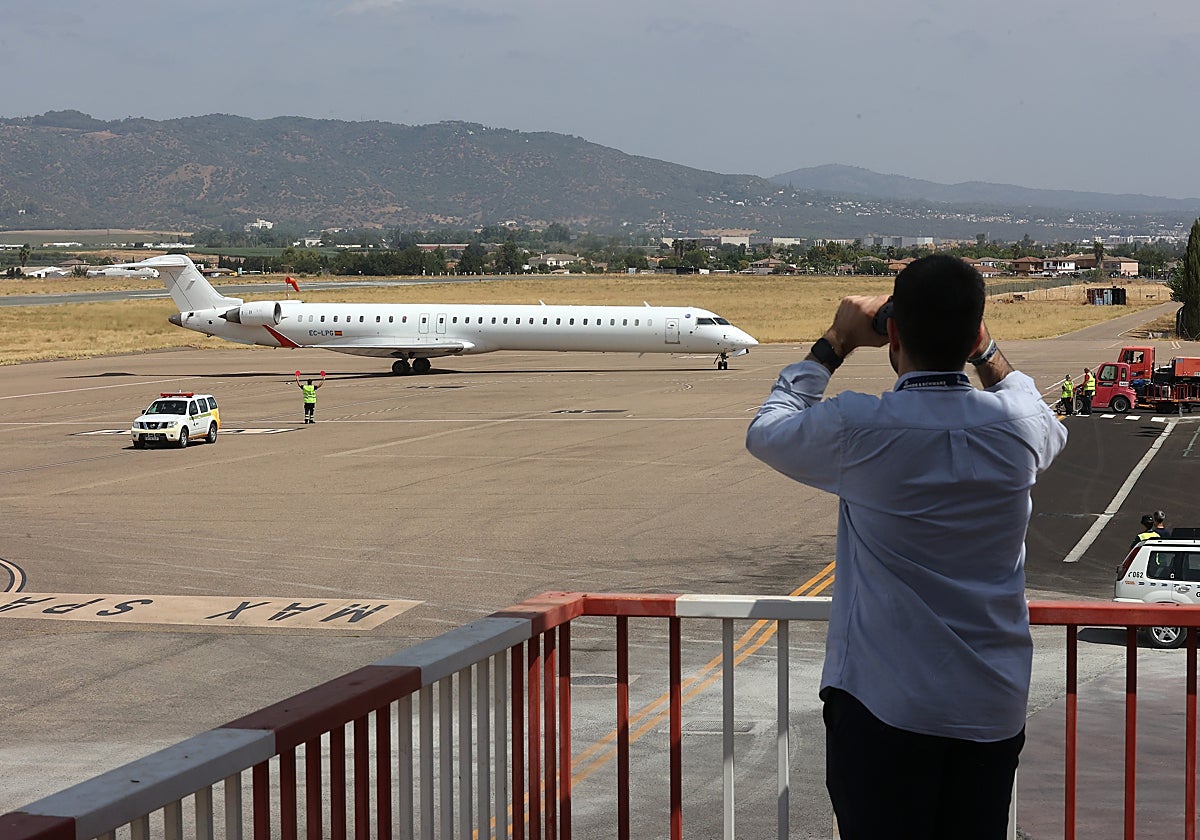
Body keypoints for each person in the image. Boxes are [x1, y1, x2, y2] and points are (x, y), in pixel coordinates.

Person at [745, 254, 1067, 840]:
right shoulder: (1018, 425)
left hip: (883, 709)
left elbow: (768, 431)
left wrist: (834, 344)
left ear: (893, 332)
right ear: (974, 333)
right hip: (991, 707)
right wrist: (984, 348)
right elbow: (1040, 414)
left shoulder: (862, 426)